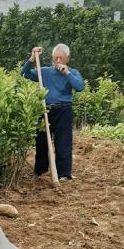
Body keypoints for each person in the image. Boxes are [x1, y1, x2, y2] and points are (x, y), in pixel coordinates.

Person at [20, 44, 84, 181]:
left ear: (68, 58)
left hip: (64, 110)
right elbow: (24, 74)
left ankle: (63, 174)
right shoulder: (45, 71)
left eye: (61, 58)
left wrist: (67, 73)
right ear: (53, 58)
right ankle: (41, 172)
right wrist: (32, 58)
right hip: (45, 109)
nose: (58, 61)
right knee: (42, 142)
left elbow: (80, 87)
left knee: (63, 143)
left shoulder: (72, 72)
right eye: (56, 58)